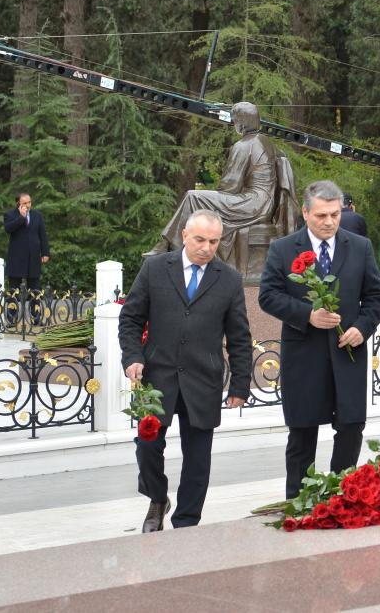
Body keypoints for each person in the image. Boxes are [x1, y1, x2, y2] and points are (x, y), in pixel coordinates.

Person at [118, 210, 253, 531]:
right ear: (184, 236)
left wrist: (240, 385)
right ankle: (157, 497)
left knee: (197, 458)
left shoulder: (229, 278)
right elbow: (131, 319)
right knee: (147, 447)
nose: (207, 247)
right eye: (200, 240)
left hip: (203, 380)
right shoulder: (155, 268)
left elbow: (239, 336)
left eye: (214, 241)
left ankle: (187, 522)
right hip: (157, 378)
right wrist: (132, 357)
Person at [259, 180, 380, 499]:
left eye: (335, 214)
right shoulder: (283, 249)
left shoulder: (359, 247)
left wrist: (362, 327)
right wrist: (307, 315)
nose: (329, 222)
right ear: (305, 212)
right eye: (321, 216)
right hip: (304, 355)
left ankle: (340, 494)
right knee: (302, 433)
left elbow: (376, 296)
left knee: (351, 427)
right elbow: (268, 296)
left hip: (348, 355)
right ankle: (299, 501)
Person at [147, 101, 297, 276]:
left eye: (235, 121)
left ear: (241, 122)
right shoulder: (266, 142)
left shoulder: (244, 145)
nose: (234, 125)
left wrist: (215, 193)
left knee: (193, 196)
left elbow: (230, 186)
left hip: (252, 204)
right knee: (197, 198)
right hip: (265, 204)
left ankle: (169, 246)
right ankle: (170, 246)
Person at [3, 192, 50, 324]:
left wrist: (45, 253)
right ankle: (11, 319)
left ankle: (36, 318)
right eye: (24, 203)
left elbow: (43, 235)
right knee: (13, 291)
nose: (28, 205)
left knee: (35, 290)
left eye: (29, 202)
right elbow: (8, 229)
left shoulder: (37, 215)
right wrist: (21, 218)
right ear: (18, 203)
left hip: (33, 257)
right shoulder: (10, 215)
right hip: (16, 258)